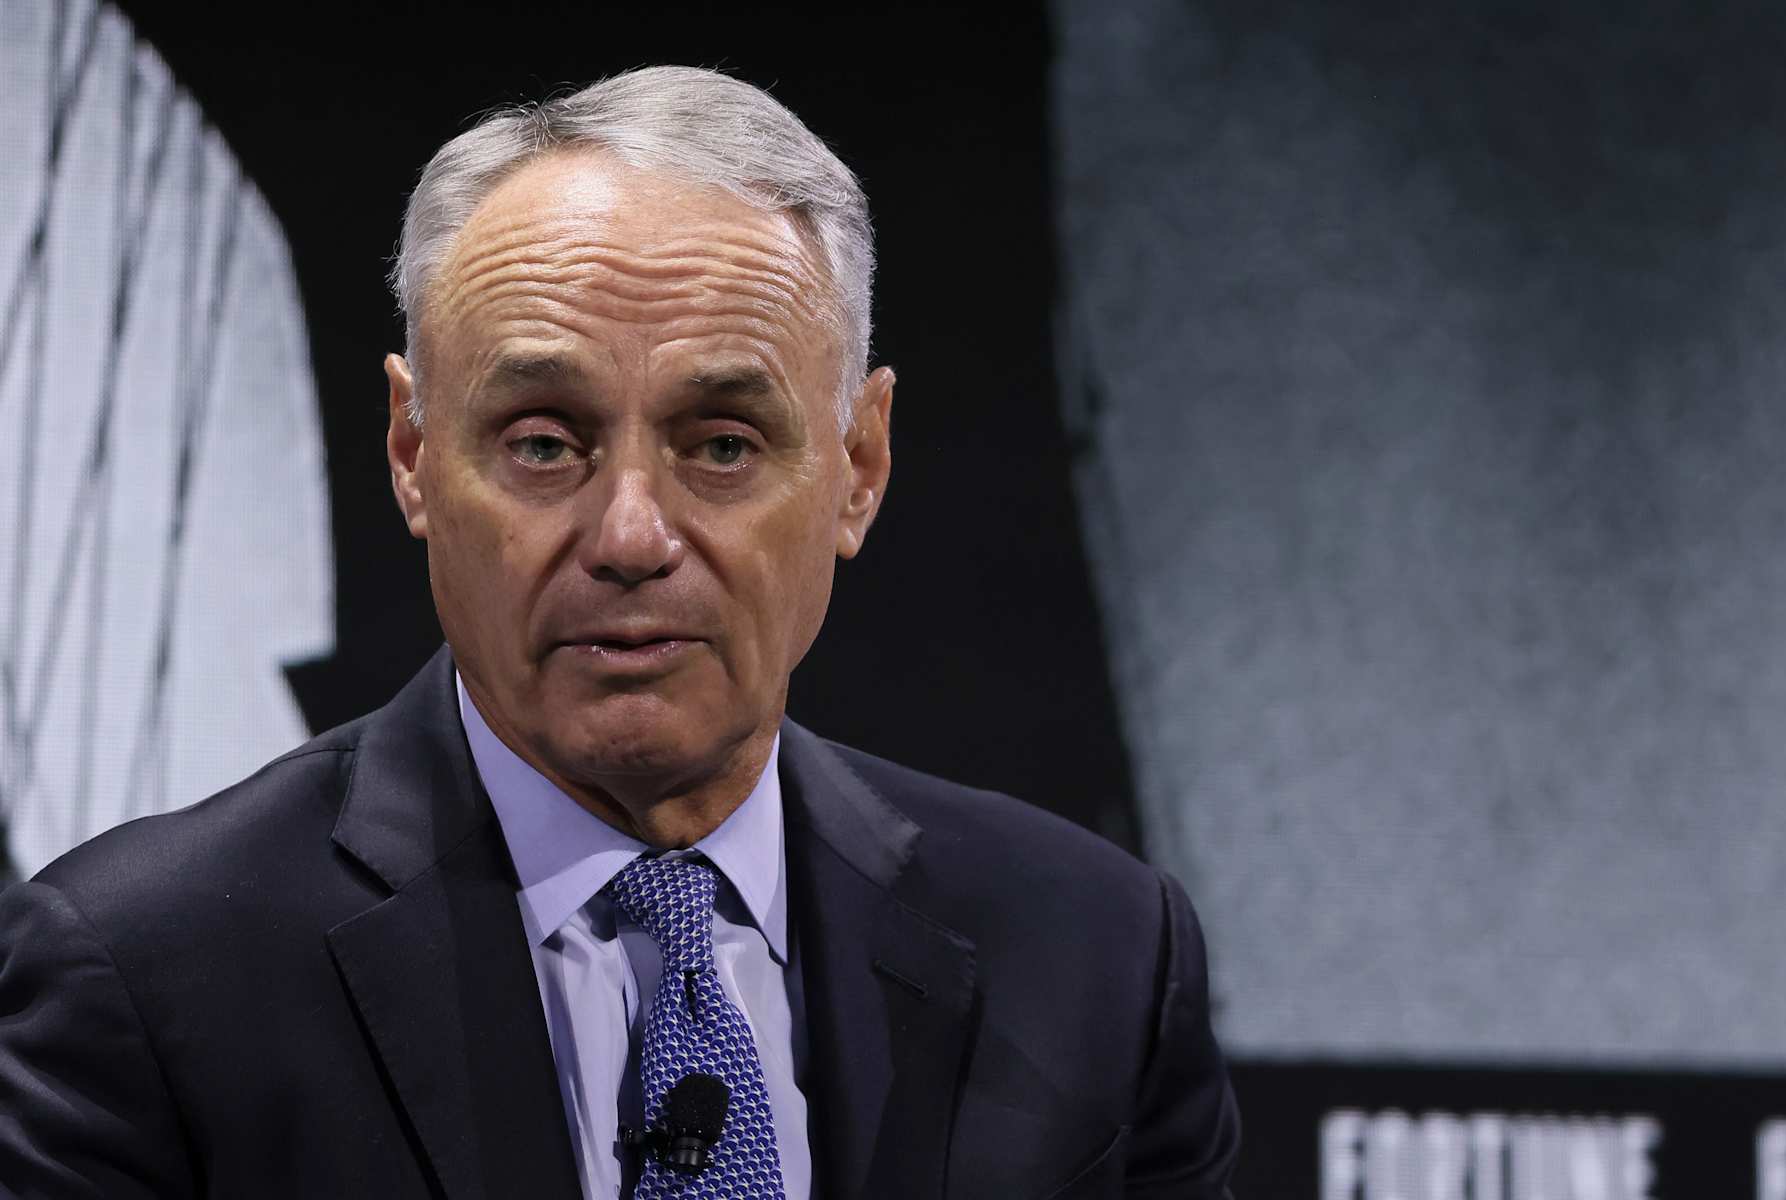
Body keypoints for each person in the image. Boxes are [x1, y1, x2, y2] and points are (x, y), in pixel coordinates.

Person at [0, 66, 1239, 1199]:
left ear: (860, 466)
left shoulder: (1099, 959)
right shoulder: (142, 979)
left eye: (722, 446)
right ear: (413, 455)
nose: (632, 533)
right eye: (543, 443)